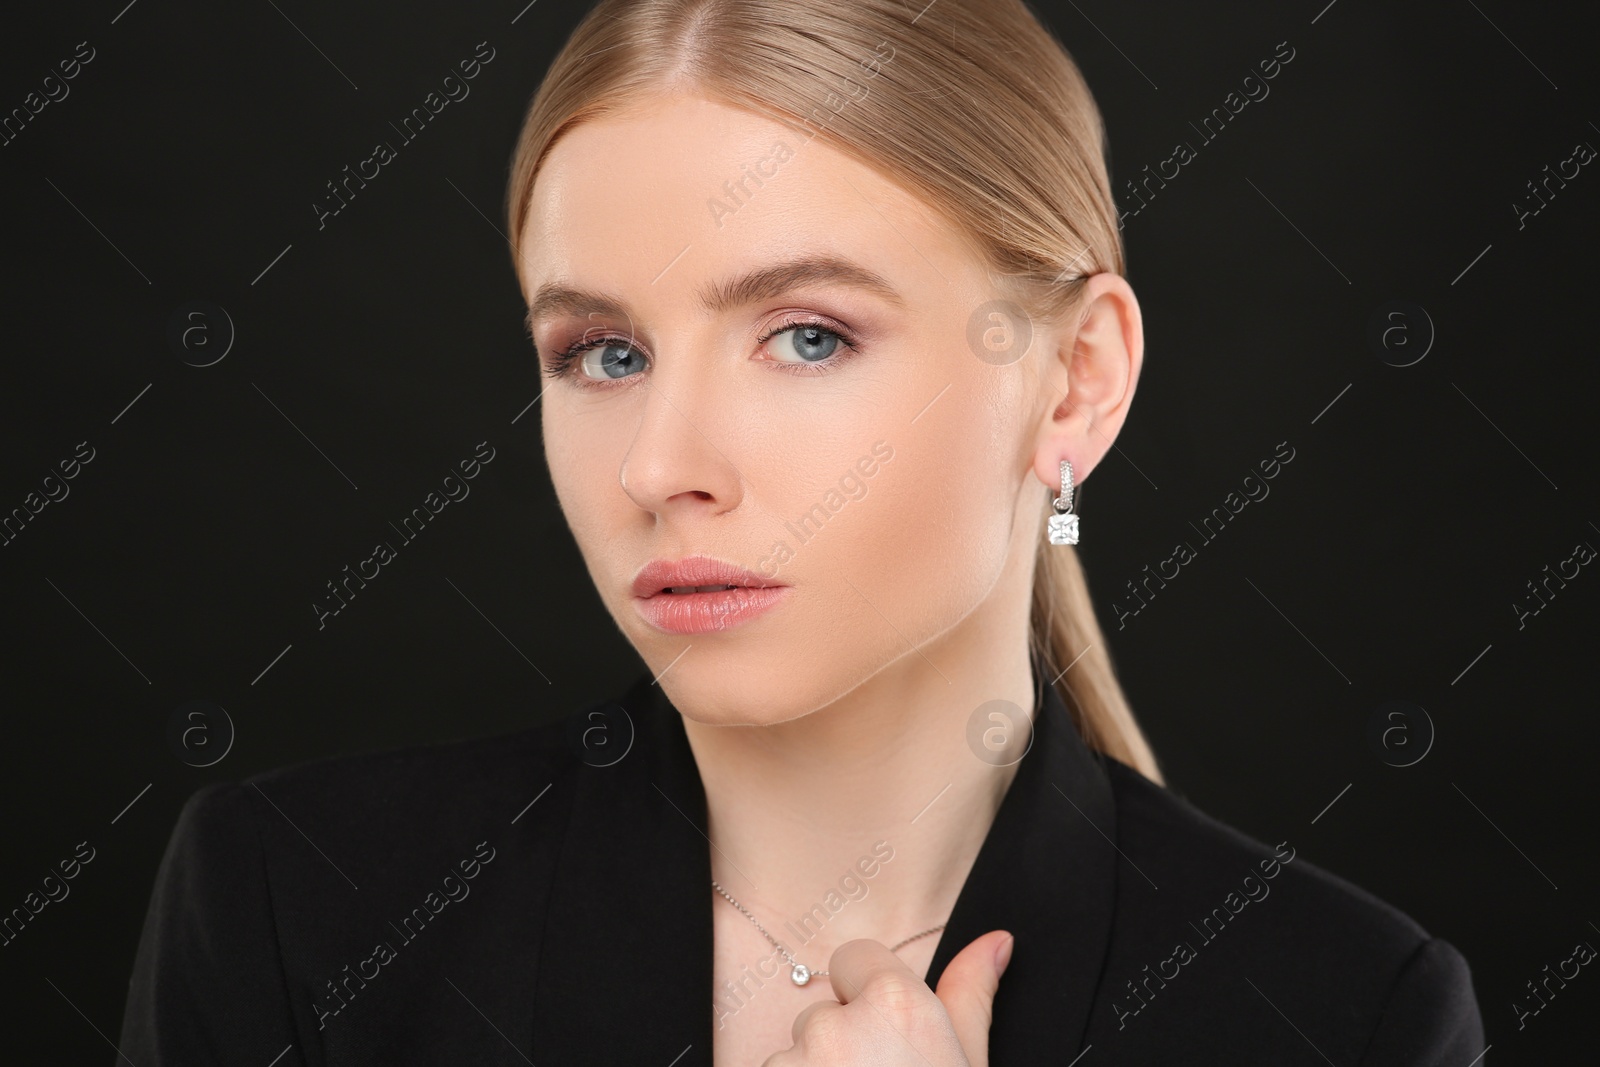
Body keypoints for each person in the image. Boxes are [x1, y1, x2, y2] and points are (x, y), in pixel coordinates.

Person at [118, 1, 1487, 1063]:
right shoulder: (298, 910)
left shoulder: (1341, 1014)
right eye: (602, 353)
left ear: (1073, 381)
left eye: (808, 335)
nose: (661, 464)